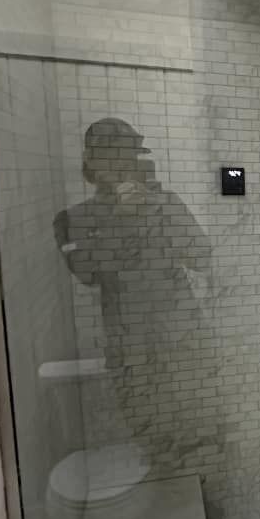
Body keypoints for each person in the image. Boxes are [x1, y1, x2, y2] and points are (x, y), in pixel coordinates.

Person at [54, 117, 219, 472]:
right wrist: (119, 219)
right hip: (133, 347)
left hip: (185, 339)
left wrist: (158, 213)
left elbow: (204, 258)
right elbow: (86, 273)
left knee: (200, 436)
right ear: (91, 164)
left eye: (127, 155)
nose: (120, 164)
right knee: (151, 440)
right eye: (109, 156)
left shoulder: (165, 205)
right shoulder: (74, 218)